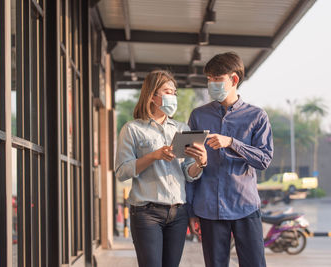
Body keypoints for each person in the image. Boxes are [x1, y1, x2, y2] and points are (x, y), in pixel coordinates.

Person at [187, 52, 273, 267]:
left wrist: (232, 143)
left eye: (217, 79)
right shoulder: (198, 116)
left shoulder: (257, 116)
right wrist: (191, 210)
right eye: (209, 79)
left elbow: (264, 160)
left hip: (245, 205)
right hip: (208, 208)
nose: (211, 84)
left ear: (234, 80)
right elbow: (187, 164)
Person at [115, 70, 207, 267]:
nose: (172, 97)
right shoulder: (132, 129)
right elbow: (122, 171)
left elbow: (189, 173)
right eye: (167, 91)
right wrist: (153, 156)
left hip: (178, 213)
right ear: (152, 95)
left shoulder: (182, 129)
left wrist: (200, 163)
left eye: (174, 92)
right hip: (146, 213)